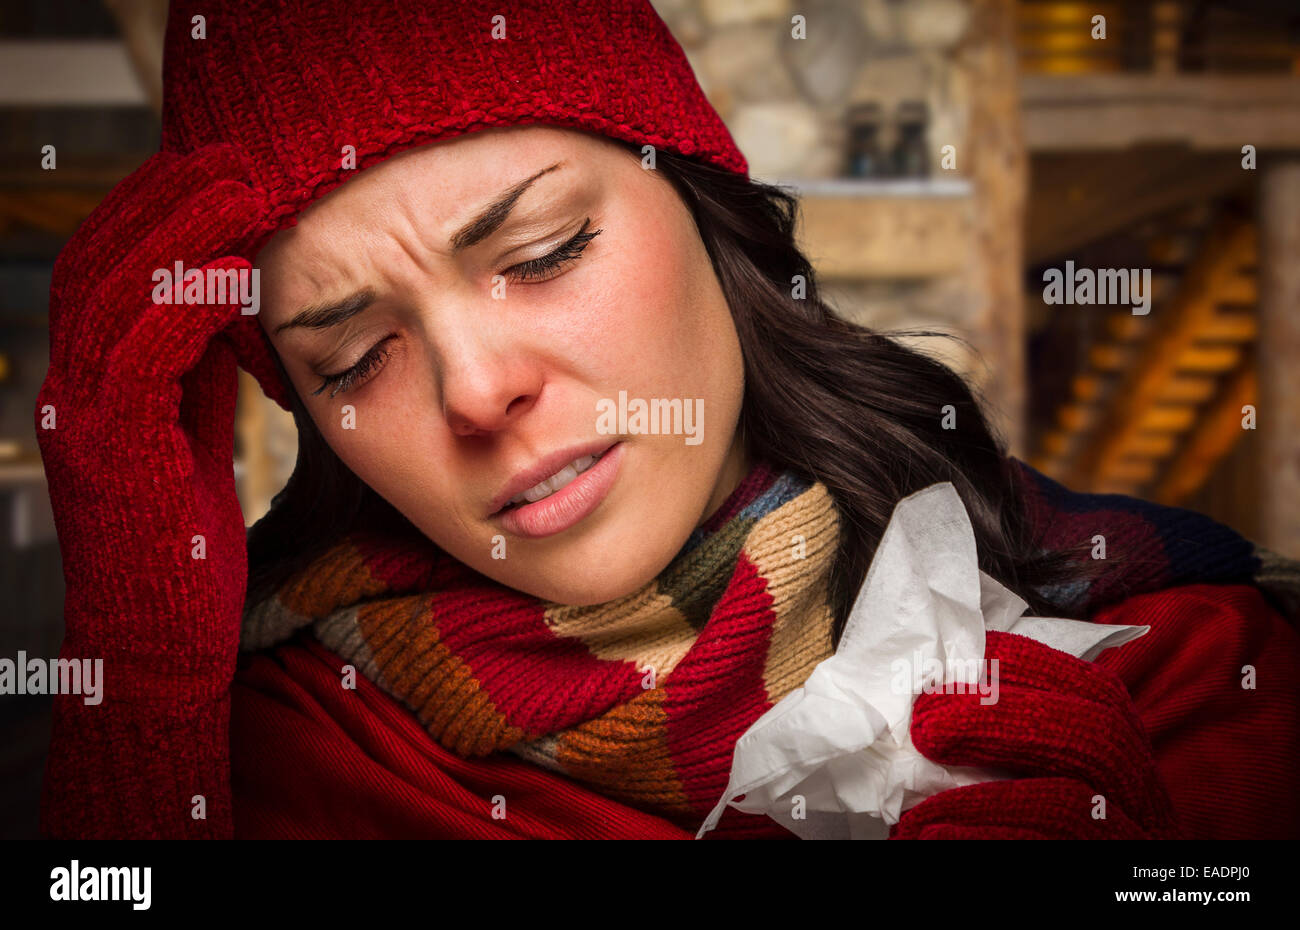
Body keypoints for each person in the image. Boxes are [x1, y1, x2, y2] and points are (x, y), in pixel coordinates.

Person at [36, 0, 1300, 840]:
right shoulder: (280, 763)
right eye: (357, 357)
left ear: (707, 214)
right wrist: (141, 682)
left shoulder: (1186, 661)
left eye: (542, 251)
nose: (478, 393)